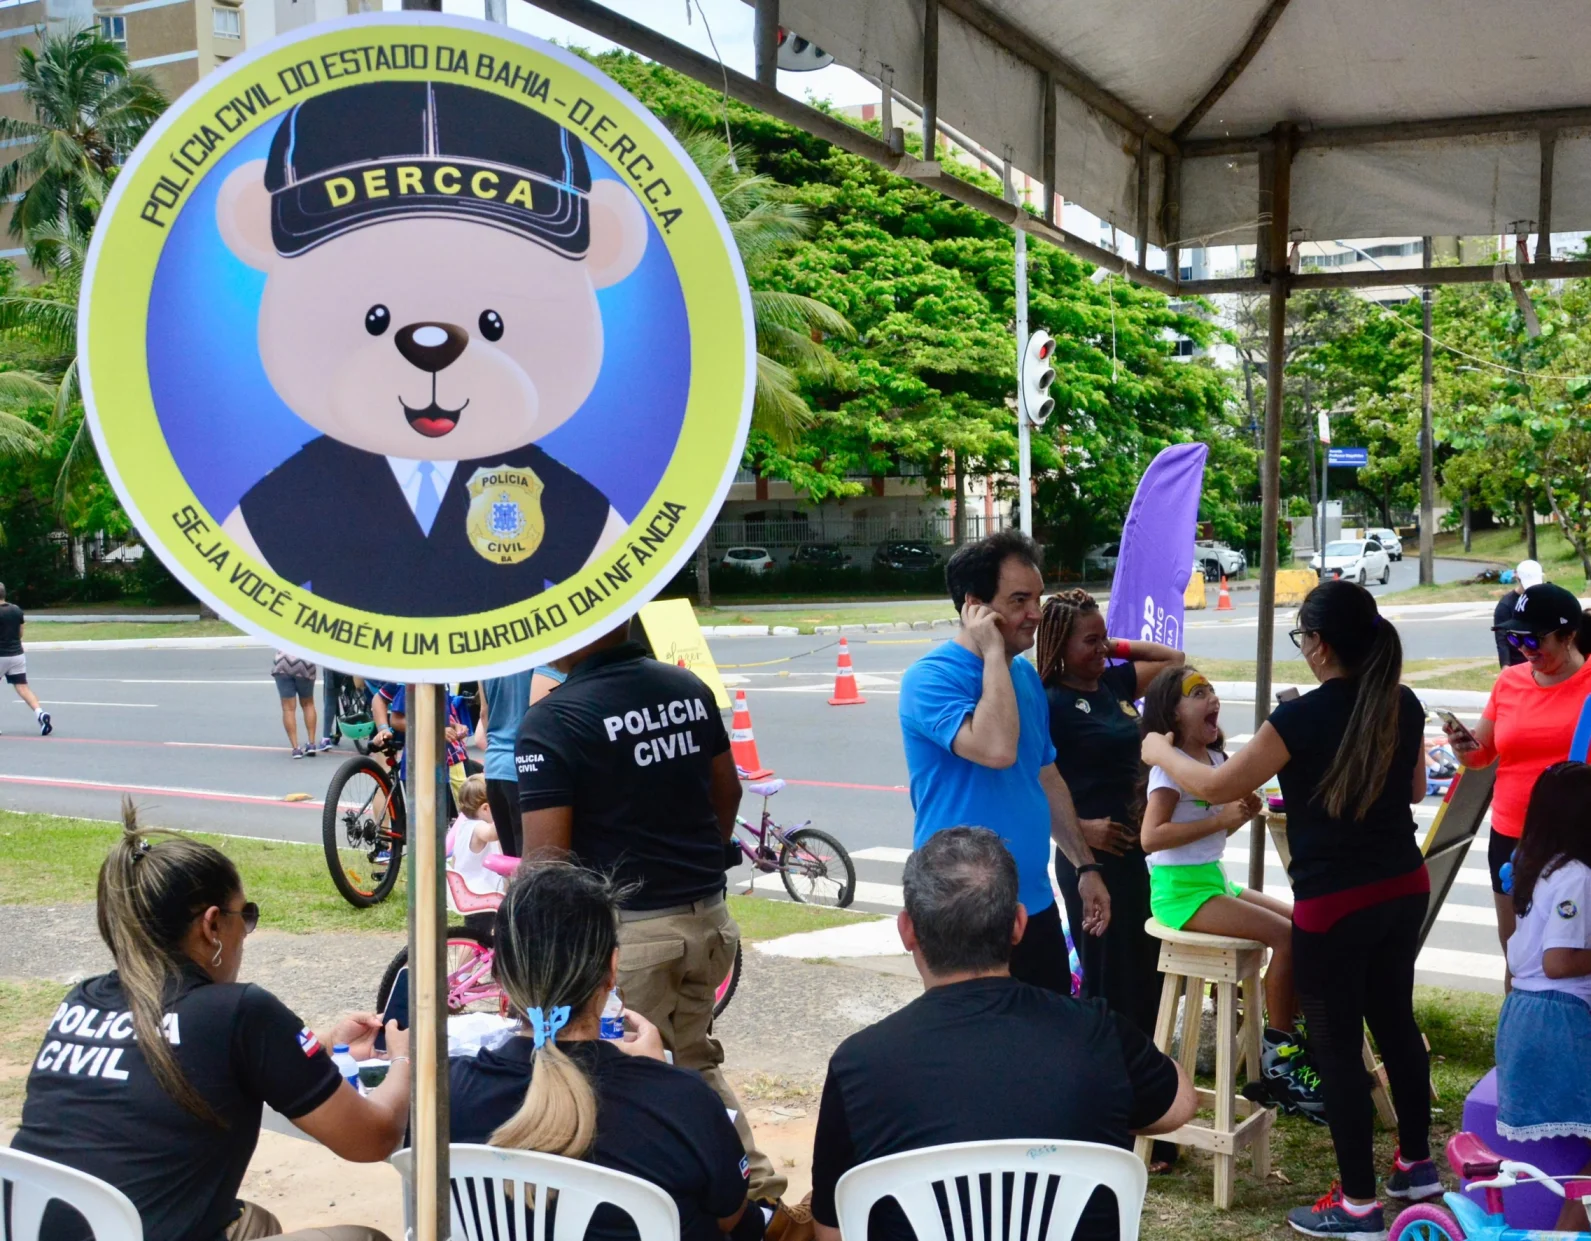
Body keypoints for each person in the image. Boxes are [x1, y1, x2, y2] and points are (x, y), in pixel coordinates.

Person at [1143, 580, 1436, 1238]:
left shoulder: (1300, 718)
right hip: (1402, 884)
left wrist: (1157, 750)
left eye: (1302, 636)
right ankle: (1416, 1163)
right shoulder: (1403, 699)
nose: (1301, 648)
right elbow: (1414, 789)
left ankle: (1357, 1204)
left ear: (1321, 644)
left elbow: (1219, 783)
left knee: (1333, 1048)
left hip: (1335, 902)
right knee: (1393, 1019)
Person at [12, 802, 410, 1241]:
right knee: (364, 1239)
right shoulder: (239, 1011)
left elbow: (175, 1059)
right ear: (212, 925)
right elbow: (372, 1139)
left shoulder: (80, 1001)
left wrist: (322, 1043)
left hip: (35, 1227)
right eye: (247, 915)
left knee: (252, 1222)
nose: (247, 931)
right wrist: (404, 1064)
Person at [515, 620, 799, 1234]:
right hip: (708, 920)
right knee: (692, 1062)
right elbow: (727, 793)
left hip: (628, 940)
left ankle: (645, 1213)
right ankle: (760, 1203)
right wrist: (693, 864)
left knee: (605, 1083)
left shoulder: (554, 721)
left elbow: (545, 872)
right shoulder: (685, 688)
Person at [808, 827, 1195, 1241]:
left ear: (907, 930)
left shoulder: (858, 1066)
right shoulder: (1096, 1031)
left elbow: (833, 1229)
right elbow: (1179, 1106)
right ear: (1018, 925)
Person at [450, 863, 759, 1241]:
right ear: (612, 969)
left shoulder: (445, 1095)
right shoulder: (684, 1102)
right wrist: (660, 1080)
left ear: (499, 976)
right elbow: (730, 1215)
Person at [898, 531, 1110, 995]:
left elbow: (1045, 775)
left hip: (1031, 905)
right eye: (1018, 600)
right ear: (976, 607)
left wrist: (1085, 866)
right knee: (978, 1055)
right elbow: (996, 749)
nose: (1035, 613)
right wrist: (992, 651)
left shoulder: (1025, 676)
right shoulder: (929, 679)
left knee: (1049, 1041)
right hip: (962, 913)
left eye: (1037, 597)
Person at [1137, 666, 1322, 1121]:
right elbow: (1151, 837)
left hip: (1213, 879)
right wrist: (1222, 820)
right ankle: (1279, 1057)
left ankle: (1289, 1027)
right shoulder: (1170, 769)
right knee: (1289, 938)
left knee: (1304, 925)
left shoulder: (1219, 763)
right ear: (1172, 713)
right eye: (1197, 693)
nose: (1211, 698)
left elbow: (1213, 832)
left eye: (1212, 690)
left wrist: (1241, 813)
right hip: (1181, 892)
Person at [1035, 588, 1182, 1034]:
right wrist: (1080, 831)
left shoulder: (1112, 684)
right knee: (1108, 973)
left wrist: (1109, 645)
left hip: (1133, 853)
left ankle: (1144, 1064)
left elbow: (1173, 659)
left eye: (1104, 640)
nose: (1101, 649)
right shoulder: (1049, 701)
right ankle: (1108, 1068)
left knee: (1144, 962)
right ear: (1059, 645)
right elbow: (1031, 780)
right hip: (1090, 858)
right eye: (1089, 641)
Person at [1449, 582, 1591, 987]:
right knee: (1518, 954)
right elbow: (1482, 756)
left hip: (1578, 842)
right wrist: (1464, 748)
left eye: (1532, 637)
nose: (1523, 647)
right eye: (1513, 637)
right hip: (1512, 838)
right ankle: (1520, 1034)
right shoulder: (1509, 681)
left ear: (1568, 636)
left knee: (1573, 955)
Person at [1493, 761, 1591, 1232]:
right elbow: (1560, 962)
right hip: (1559, 1024)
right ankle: (1566, 1231)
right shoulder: (1578, 877)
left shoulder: (1535, 866)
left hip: (1526, 1015)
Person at [480, 669, 538, 858]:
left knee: (510, 860)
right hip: (527, 765)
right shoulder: (541, 658)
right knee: (531, 863)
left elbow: (484, 714)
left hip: (494, 766)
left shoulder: (487, 661)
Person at [0, 581, 52, 735]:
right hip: (17, 654)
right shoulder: (16, 610)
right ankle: (40, 713)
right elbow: (20, 633)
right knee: (22, 687)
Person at [450, 773, 506, 899]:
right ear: (485, 809)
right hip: (480, 891)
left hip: (464, 889)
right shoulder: (478, 827)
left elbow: (455, 858)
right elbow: (492, 834)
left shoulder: (463, 826)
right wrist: (505, 814)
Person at [1493, 559, 1544, 668]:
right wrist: (1505, 666)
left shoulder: (1545, 598)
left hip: (1543, 659)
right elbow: (1502, 639)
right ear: (1517, 578)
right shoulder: (1505, 605)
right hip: (1519, 663)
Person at [271, 650, 319, 759]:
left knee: (288, 709)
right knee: (308, 704)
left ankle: (296, 748)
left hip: (283, 664)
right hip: (305, 663)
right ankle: (311, 743)